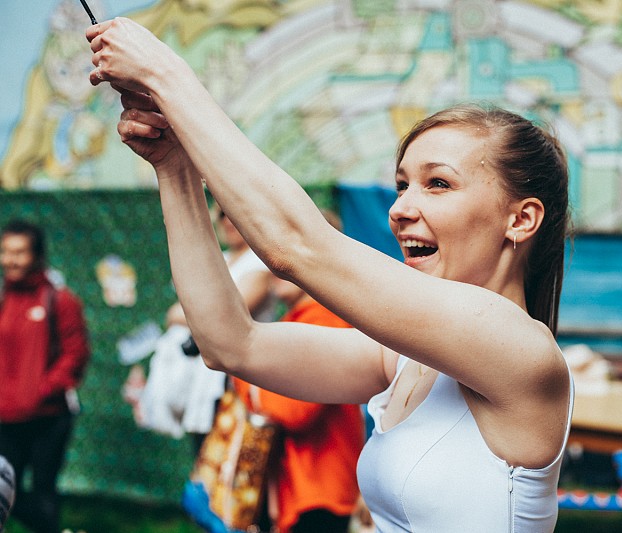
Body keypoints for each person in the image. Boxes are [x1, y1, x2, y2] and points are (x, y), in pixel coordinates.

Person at [86, 17, 573, 532]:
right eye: (402, 184)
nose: (400, 209)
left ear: (521, 220)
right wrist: (174, 167)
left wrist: (164, 73)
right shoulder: (404, 361)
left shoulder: (521, 352)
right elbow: (231, 344)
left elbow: (297, 244)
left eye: (438, 184)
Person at [127, 205, 276, 452]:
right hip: (201, 380)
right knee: (204, 456)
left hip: (237, 383)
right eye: (222, 215)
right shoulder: (220, 259)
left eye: (233, 213)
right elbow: (183, 310)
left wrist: (190, 313)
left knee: (231, 458)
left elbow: (227, 315)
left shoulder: (259, 262)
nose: (228, 221)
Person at [232, 266, 364, 533]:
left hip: (319, 490)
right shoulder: (298, 319)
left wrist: (243, 371)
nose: (272, 267)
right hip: (299, 487)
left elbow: (294, 409)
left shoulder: (326, 320)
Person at [0, 219, 91, 533]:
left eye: (19, 252)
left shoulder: (59, 299)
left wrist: (41, 390)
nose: (11, 260)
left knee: (44, 492)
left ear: (37, 255)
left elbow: (76, 354)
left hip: (48, 417)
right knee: (5, 491)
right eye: (6, 252)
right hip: (5, 418)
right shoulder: (2, 298)